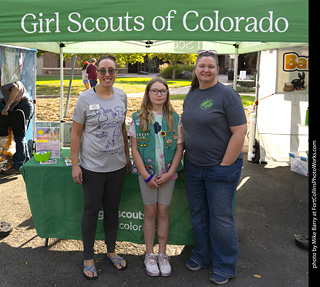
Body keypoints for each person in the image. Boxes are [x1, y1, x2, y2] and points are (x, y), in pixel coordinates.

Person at [181, 50, 247, 285]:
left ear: (217, 69)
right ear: (196, 69)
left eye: (211, 66)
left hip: (220, 168)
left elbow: (240, 131)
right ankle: (203, 255)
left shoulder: (227, 95)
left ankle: (225, 265)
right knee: (199, 215)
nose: (206, 70)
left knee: (221, 218)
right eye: (202, 66)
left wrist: (226, 163)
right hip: (193, 166)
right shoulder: (192, 95)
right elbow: (186, 127)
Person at [70, 55, 131, 280]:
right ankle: (88, 257)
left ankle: (111, 252)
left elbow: (123, 128)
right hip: (92, 167)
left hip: (116, 166)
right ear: (97, 73)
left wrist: (127, 156)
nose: (107, 74)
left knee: (112, 210)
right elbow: (75, 134)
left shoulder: (122, 96)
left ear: (116, 73)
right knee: (91, 211)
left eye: (112, 71)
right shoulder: (85, 98)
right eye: (103, 70)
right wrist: (75, 164)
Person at [129, 77, 184, 277]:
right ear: (148, 93)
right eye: (155, 90)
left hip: (168, 175)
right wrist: (145, 174)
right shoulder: (138, 118)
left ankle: (162, 253)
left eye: (163, 91)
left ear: (167, 94)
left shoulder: (175, 118)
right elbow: (134, 149)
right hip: (148, 176)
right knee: (150, 212)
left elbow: (179, 149)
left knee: (163, 211)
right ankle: (149, 254)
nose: (159, 94)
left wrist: (170, 173)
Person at [0, 80, 34, 172]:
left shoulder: (6, 80)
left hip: (22, 107)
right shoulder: (9, 79)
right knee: (21, 136)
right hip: (26, 105)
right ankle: (26, 163)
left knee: (19, 136)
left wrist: (6, 107)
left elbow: (15, 89)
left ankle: (18, 164)